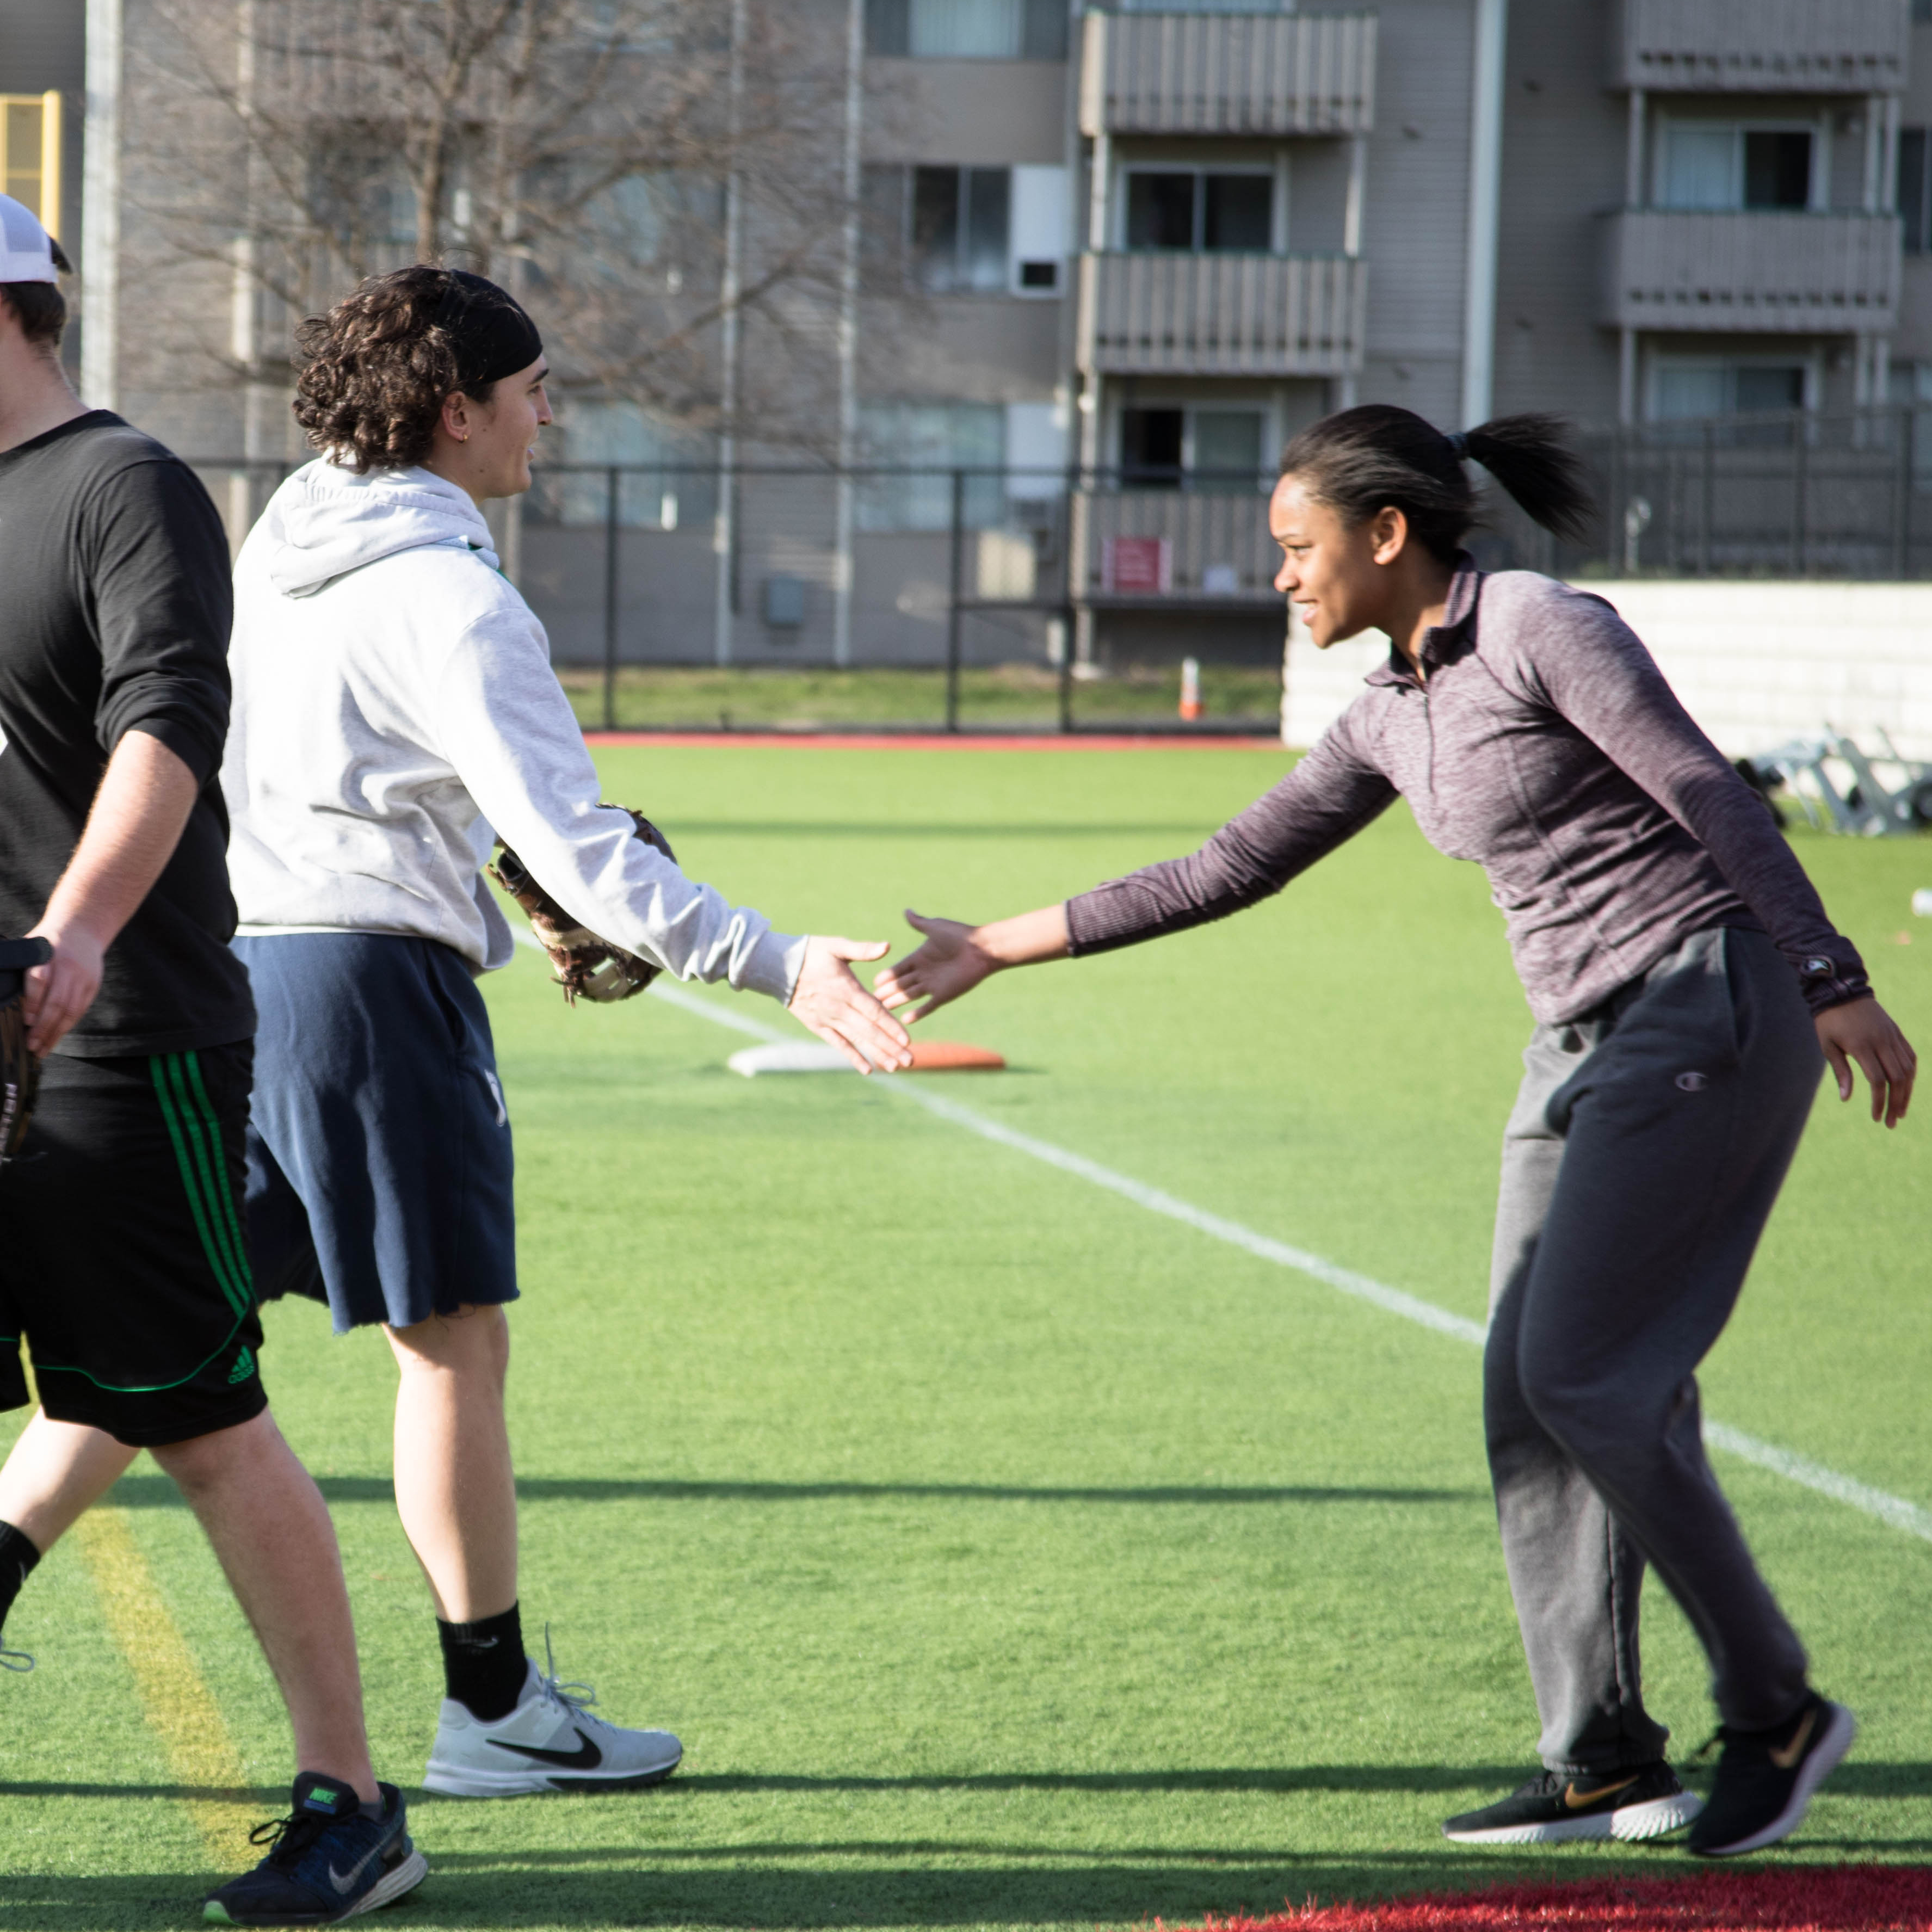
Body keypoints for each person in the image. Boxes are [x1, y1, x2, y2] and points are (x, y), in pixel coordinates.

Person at [872, 405, 1915, 1861]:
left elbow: (1703, 793)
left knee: (1594, 1375)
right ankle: (1605, 1756)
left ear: (1387, 534)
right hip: (1577, 1046)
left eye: (1299, 550)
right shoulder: (1388, 709)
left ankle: (1778, 1709)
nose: (1284, 578)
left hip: (1705, 1006)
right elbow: (1229, 866)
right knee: (1527, 1392)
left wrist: (1831, 976)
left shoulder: (1544, 626)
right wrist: (996, 942)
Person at [19, 264, 912, 1798]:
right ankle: (491, 1708)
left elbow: (342, 772)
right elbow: (578, 848)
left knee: (166, 1354)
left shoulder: (274, 545)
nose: (550, 414)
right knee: (450, 1350)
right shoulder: (452, 591)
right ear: (458, 411)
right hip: (370, 996)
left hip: (240, 984)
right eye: (533, 390)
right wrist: (777, 961)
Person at [0, 195, 425, 1925]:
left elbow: (167, 720)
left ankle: (354, 1799)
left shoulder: (125, 486)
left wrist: (82, 930)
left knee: (193, 1416)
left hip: (118, 1035)